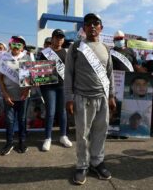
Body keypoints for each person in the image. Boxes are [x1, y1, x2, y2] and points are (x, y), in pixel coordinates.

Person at [65, 13, 116, 185]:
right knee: (83, 135)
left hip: (101, 97)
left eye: (96, 23)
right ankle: (81, 165)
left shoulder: (106, 49)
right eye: (88, 23)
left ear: (101, 27)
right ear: (84, 28)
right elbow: (69, 73)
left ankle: (97, 161)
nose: (92, 26)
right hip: (82, 97)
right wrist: (69, 98)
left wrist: (112, 96)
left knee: (100, 133)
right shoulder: (76, 47)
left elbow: (110, 74)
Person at [0, 36, 31, 156]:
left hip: (23, 96)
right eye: (14, 44)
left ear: (22, 47)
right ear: (10, 45)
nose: (16, 46)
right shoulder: (4, 58)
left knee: (22, 119)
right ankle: (9, 143)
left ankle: (22, 142)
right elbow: (0, 79)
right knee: (9, 120)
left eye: (19, 44)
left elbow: (31, 78)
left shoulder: (27, 58)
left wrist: (27, 91)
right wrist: (5, 95)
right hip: (9, 96)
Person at [39, 29, 72, 151]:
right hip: (48, 87)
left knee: (63, 112)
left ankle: (63, 136)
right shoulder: (45, 52)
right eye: (57, 37)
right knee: (50, 112)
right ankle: (48, 138)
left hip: (63, 86)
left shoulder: (66, 53)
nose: (59, 39)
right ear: (52, 38)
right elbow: (37, 70)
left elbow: (70, 71)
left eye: (61, 37)